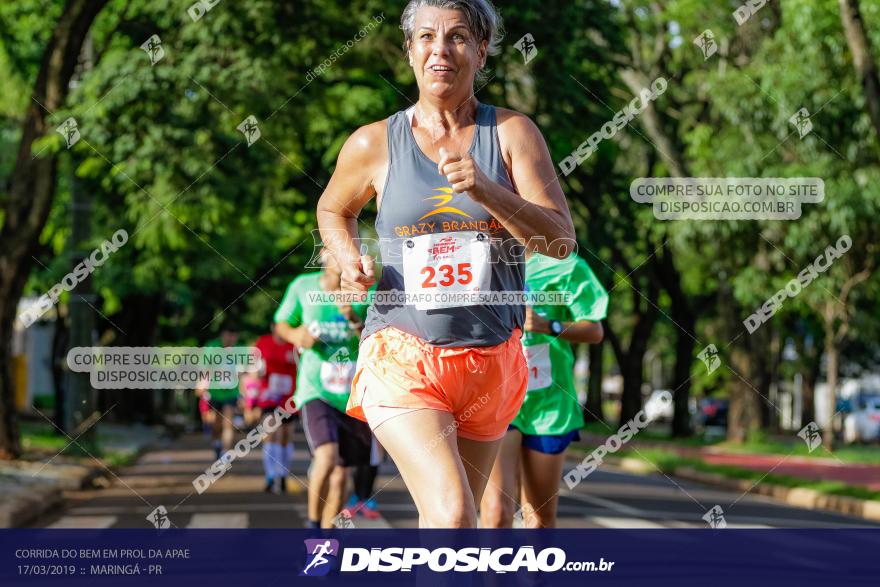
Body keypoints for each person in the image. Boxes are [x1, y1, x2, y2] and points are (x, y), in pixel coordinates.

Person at [316, 0, 576, 528]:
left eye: (458, 37)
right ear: (409, 50)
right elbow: (333, 208)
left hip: (492, 361)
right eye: (427, 37)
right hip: (403, 355)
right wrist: (349, 259)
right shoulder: (373, 142)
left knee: (460, 526)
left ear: (481, 51)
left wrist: (488, 189)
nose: (441, 49)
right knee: (454, 513)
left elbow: (561, 241)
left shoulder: (512, 135)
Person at [480, 252, 608, 528]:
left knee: (538, 518)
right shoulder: (483, 258)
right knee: (496, 511)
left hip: (548, 403)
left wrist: (548, 325)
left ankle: (534, 572)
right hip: (498, 397)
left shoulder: (565, 266)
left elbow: (594, 330)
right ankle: (494, 572)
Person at [274, 252, 373, 528]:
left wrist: (353, 317)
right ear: (322, 254)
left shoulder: (368, 289)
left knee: (342, 475)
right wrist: (297, 336)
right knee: (327, 456)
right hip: (315, 389)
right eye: (336, 250)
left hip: (352, 393)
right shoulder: (303, 286)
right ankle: (313, 524)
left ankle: (325, 544)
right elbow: (282, 323)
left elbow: (378, 336)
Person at [253, 323, 299, 493]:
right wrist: (258, 371)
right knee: (270, 432)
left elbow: (304, 366)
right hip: (269, 397)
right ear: (273, 327)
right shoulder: (262, 342)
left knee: (286, 436)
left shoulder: (294, 344)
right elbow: (254, 367)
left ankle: (283, 475)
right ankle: (271, 475)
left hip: (289, 398)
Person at [196, 325, 241, 461]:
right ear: (224, 334)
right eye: (230, 336)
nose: (233, 339)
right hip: (215, 393)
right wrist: (201, 385)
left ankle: (225, 453)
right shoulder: (212, 347)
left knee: (228, 422)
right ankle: (217, 444)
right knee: (216, 423)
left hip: (231, 393)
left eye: (235, 337)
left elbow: (244, 372)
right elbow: (204, 368)